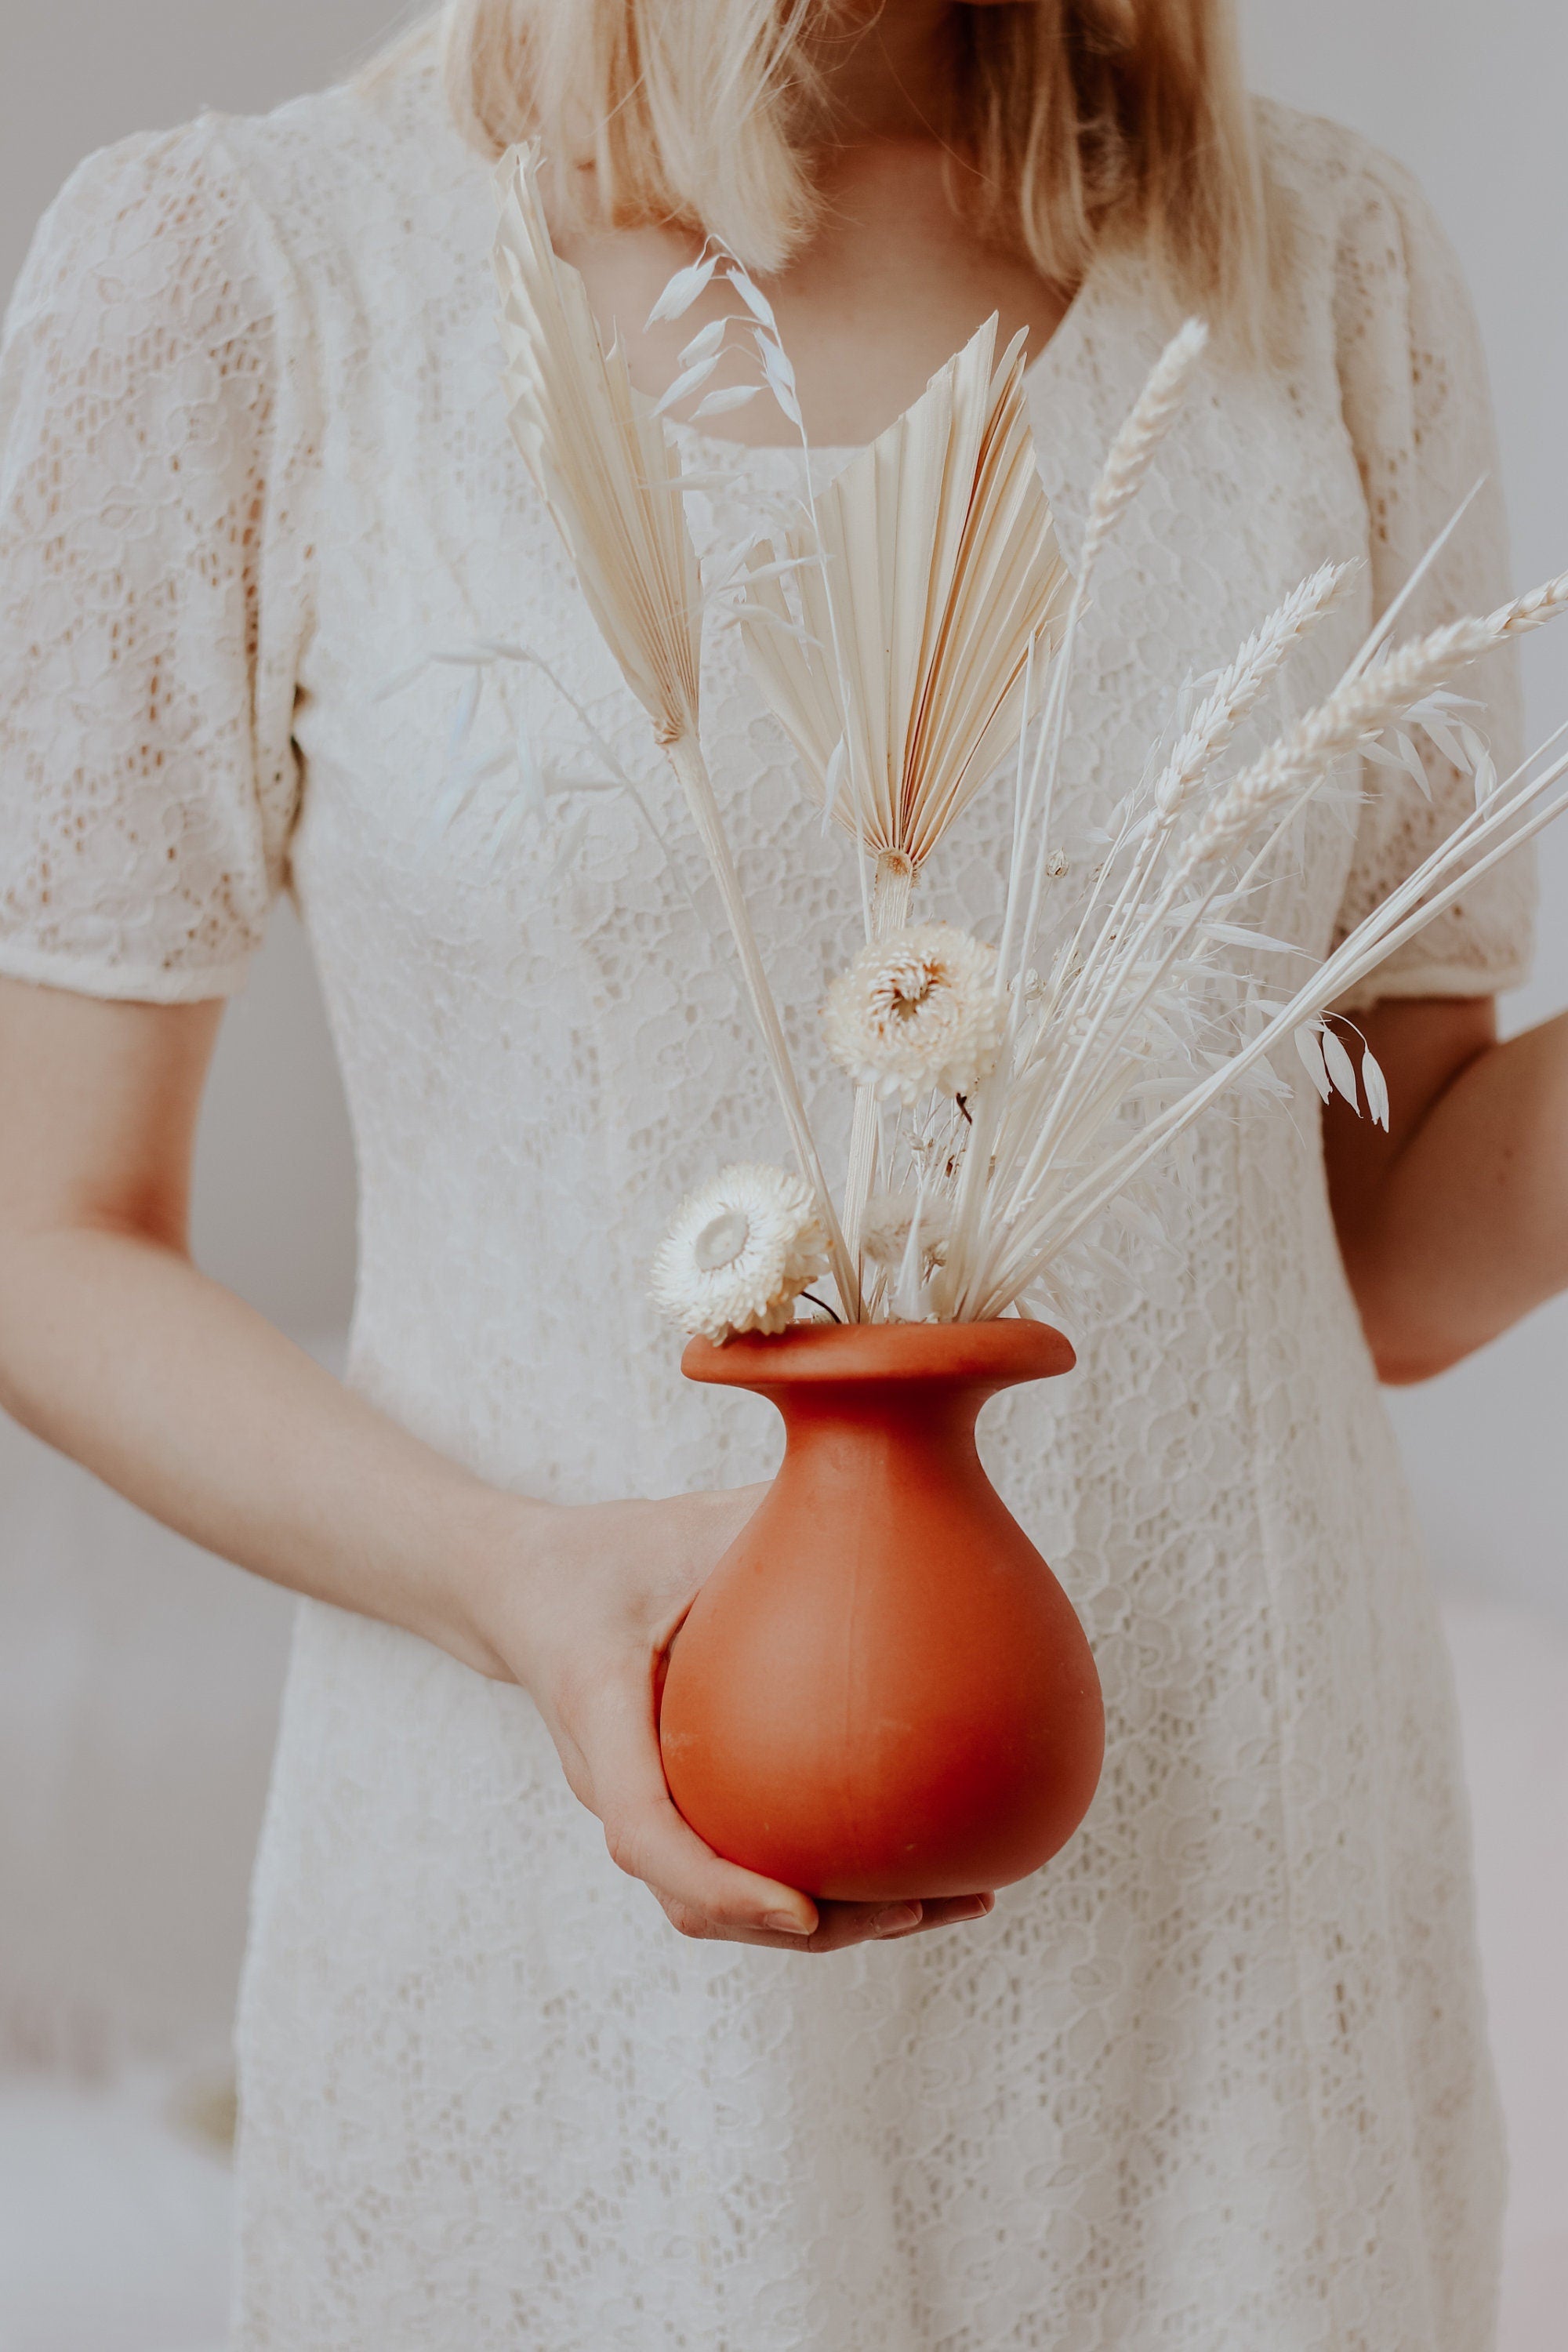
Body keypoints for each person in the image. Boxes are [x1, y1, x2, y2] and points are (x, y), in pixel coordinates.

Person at [1, 1, 1564, 2341]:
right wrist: (516, 1586)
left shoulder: (1317, 262)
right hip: (567, 1949)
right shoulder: (250, 274)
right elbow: (50, 1239)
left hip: (1239, 1985)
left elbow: (1385, 1243)